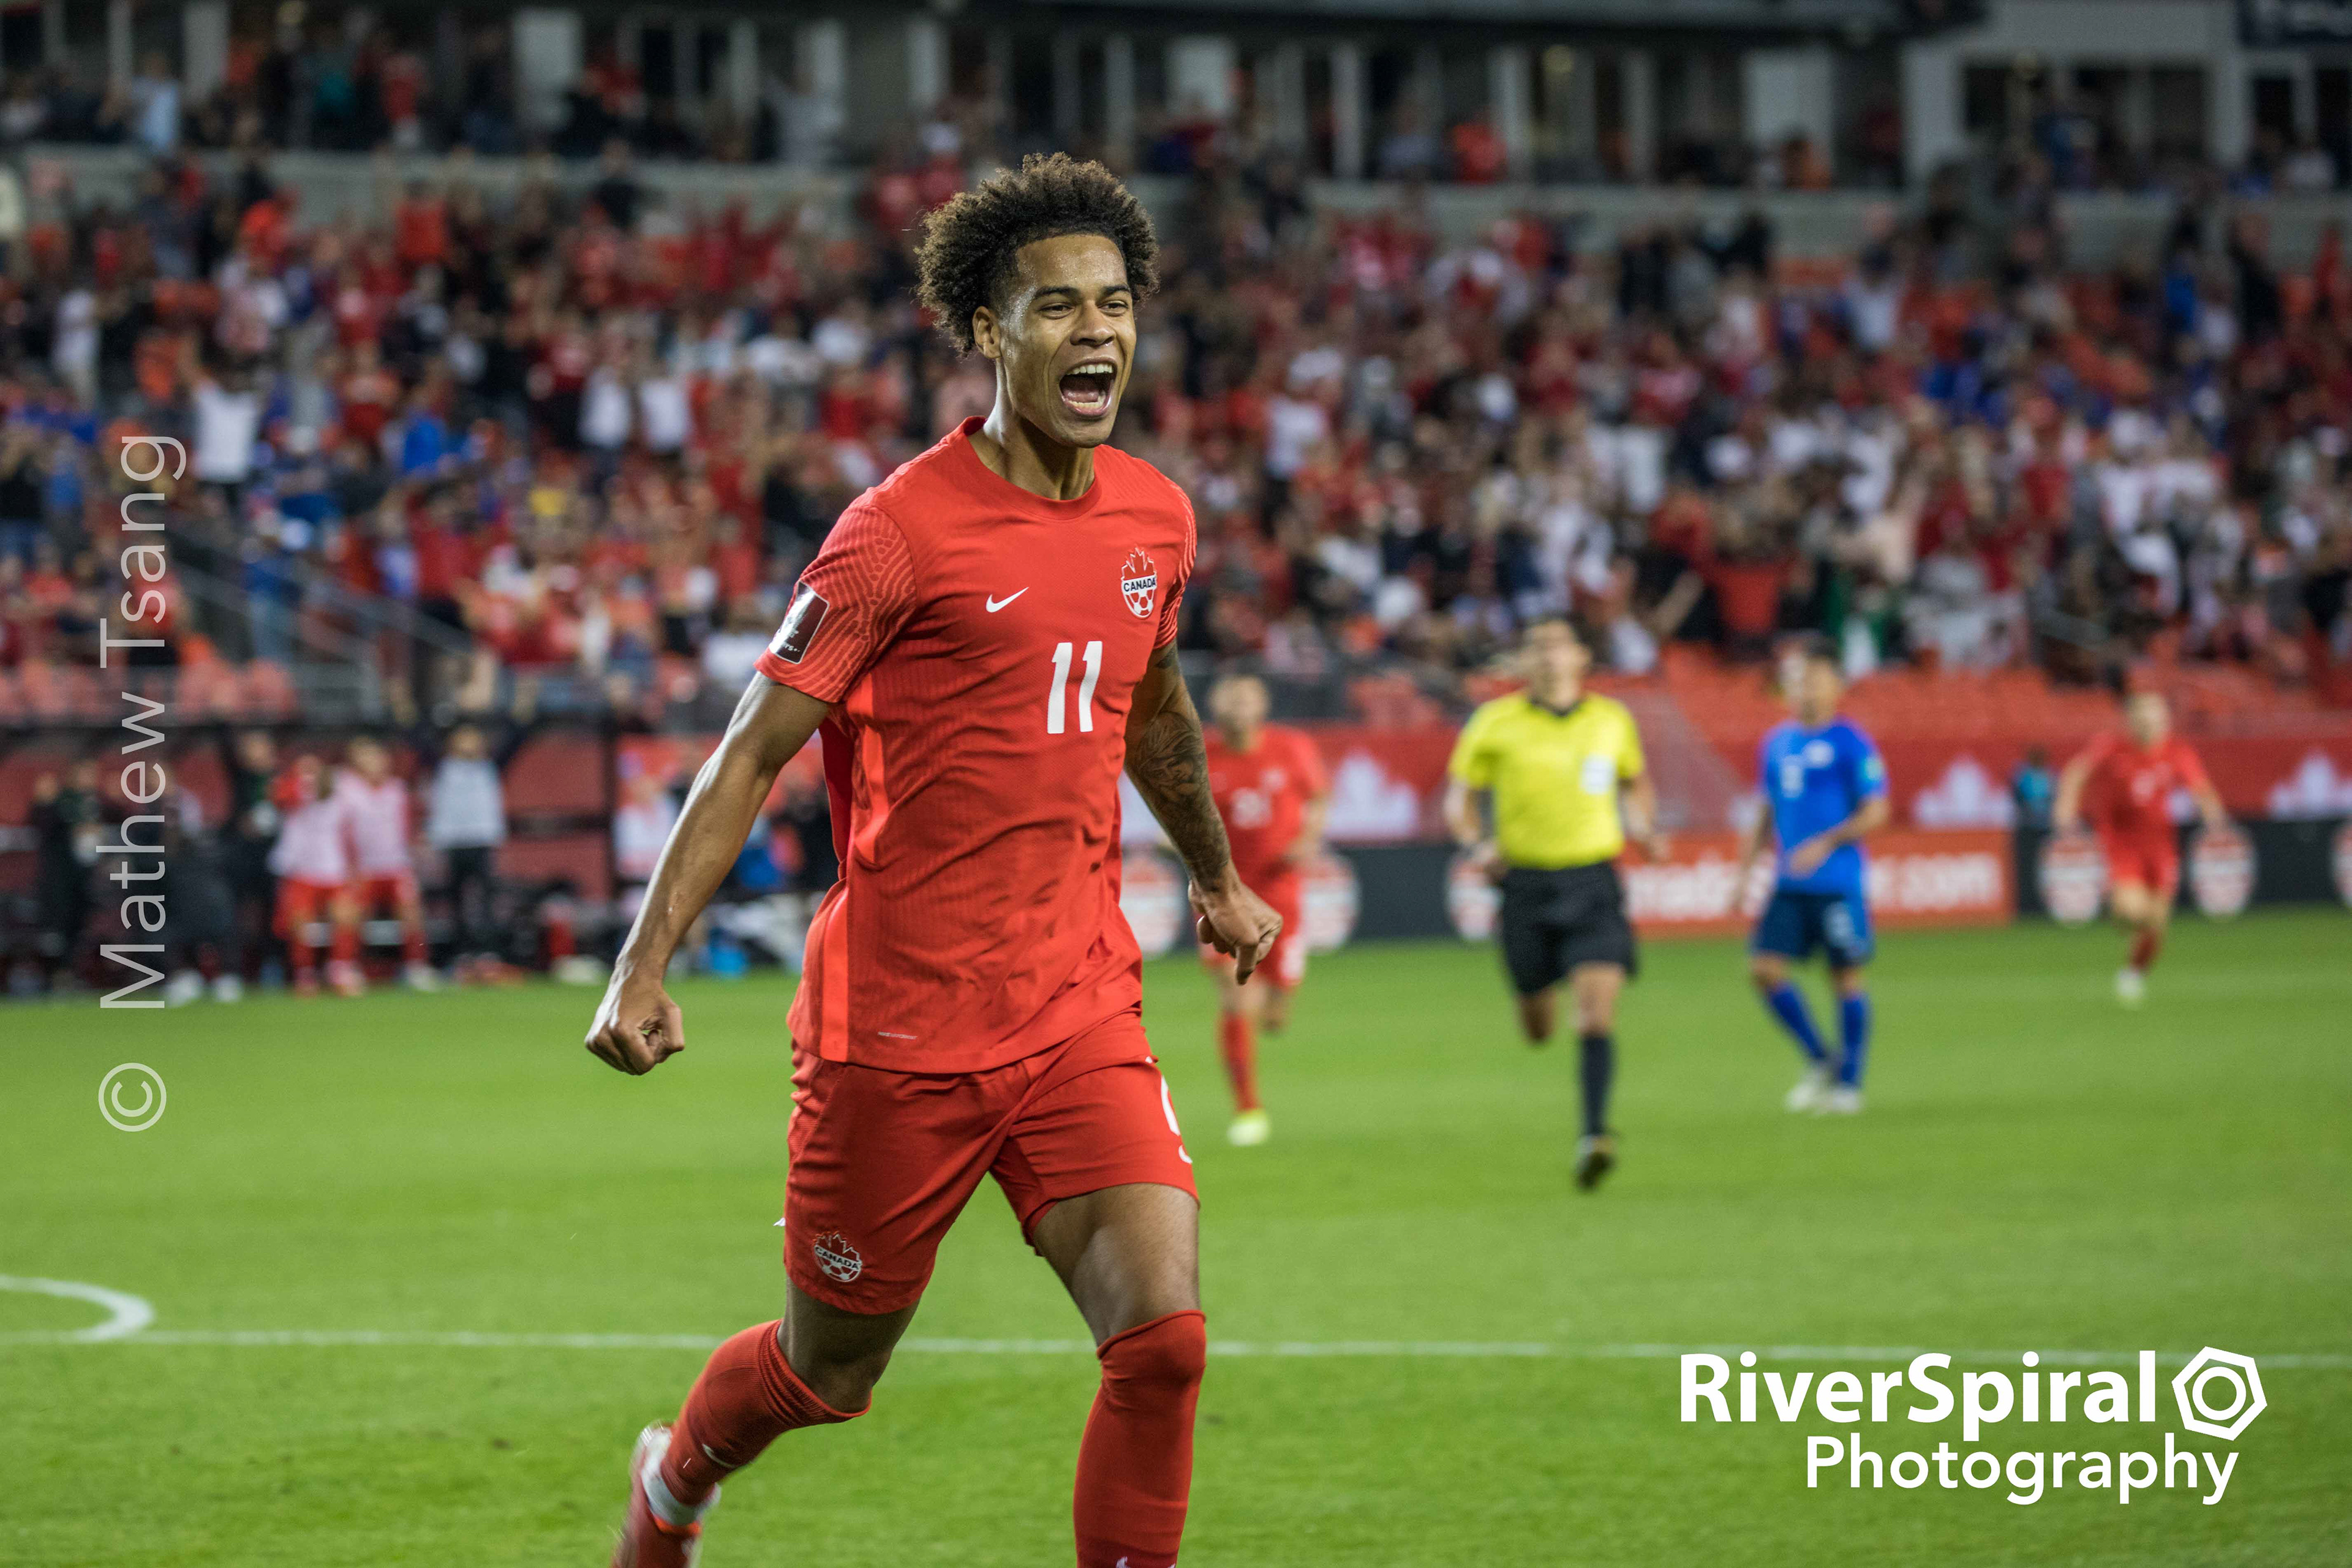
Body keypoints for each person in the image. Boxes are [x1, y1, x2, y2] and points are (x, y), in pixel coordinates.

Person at [587, 154, 1280, 1568]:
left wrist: (1213, 872)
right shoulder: (895, 536)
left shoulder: (1156, 515)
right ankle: (674, 1482)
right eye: (1054, 307)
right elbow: (748, 749)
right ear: (987, 330)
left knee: (1164, 1342)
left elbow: (1148, 704)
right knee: (826, 1370)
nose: (1096, 332)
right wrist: (640, 964)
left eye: (1114, 304)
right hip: (896, 1031)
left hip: (1077, 1003)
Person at [1443, 618, 1666, 1191]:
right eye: (1536, 648)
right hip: (1524, 886)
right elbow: (1459, 801)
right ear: (1523, 661)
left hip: (1594, 882)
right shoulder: (1496, 723)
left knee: (1594, 1014)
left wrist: (1645, 825)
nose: (1547, 657)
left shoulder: (1612, 720)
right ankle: (1535, 997)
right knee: (1539, 1026)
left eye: (1558, 646)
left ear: (1582, 656)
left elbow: (1635, 783)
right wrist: (1476, 843)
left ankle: (1595, 1134)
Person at [1736, 639, 1891, 1114]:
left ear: (1836, 685)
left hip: (1837, 883)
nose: (1805, 687)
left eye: (1816, 677)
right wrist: (1743, 874)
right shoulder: (1777, 743)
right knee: (1763, 970)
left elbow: (1877, 811)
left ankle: (1849, 1084)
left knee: (1845, 978)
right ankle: (1819, 1057)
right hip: (1788, 883)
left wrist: (1826, 843)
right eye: (1799, 678)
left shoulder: (1852, 742)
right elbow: (1765, 810)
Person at [1199, 671, 1330, 1147]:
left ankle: (1282, 988)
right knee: (1237, 998)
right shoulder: (1200, 755)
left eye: (1245, 695)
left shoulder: (1291, 747)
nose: (1236, 704)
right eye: (1228, 694)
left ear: (1262, 704)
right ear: (1214, 703)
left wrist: (1308, 841)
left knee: (1274, 1016)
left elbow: (1317, 798)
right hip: (1223, 892)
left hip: (1281, 893)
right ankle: (1248, 1108)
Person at [2052, 690, 2229, 1006]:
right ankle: (2118, 912)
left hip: (2161, 848)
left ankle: (2133, 974)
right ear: (2131, 720)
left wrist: (2214, 818)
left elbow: (2201, 789)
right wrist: (2066, 808)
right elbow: (2077, 772)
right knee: (2132, 911)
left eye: (2157, 715)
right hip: (2121, 843)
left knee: (2157, 926)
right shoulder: (2111, 747)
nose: (2151, 722)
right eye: (2144, 715)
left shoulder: (2177, 752)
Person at [336, 737, 437, 990]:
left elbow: (407, 828)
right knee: (352, 914)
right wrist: (347, 864)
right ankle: (346, 967)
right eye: (365, 756)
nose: (372, 762)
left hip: (395, 864)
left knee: (411, 912)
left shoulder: (397, 789)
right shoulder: (346, 789)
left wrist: (412, 856)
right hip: (362, 868)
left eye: (376, 756)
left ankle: (416, 966)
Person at [268, 754, 362, 998]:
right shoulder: (293, 792)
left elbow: (353, 815)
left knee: (345, 916)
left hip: (334, 869)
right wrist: (299, 781)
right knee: (301, 923)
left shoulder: (340, 794)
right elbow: (282, 798)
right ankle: (305, 974)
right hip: (302, 870)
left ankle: (339, 970)